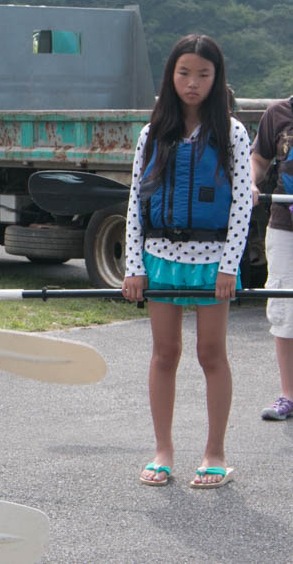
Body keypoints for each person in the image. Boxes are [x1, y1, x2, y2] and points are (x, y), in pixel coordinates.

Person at [122, 34, 253, 489]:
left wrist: (229, 267)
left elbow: (241, 206)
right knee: (165, 354)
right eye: (184, 73)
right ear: (170, 76)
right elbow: (135, 201)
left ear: (216, 79)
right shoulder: (152, 132)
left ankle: (214, 453)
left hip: (212, 258)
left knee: (211, 353)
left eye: (203, 74)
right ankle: (163, 451)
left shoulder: (232, 132)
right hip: (160, 258)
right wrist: (132, 268)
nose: (192, 83)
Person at [250, 97, 293, 420]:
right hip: (284, 226)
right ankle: (288, 395)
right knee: (284, 310)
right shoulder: (277, 114)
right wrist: (250, 181)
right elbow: (260, 160)